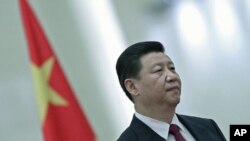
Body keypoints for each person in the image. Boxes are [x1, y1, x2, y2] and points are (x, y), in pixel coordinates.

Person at [116, 41, 226, 141]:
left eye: (172, 68)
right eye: (158, 70)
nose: (172, 76)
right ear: (132, 87)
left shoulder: (208, 126)